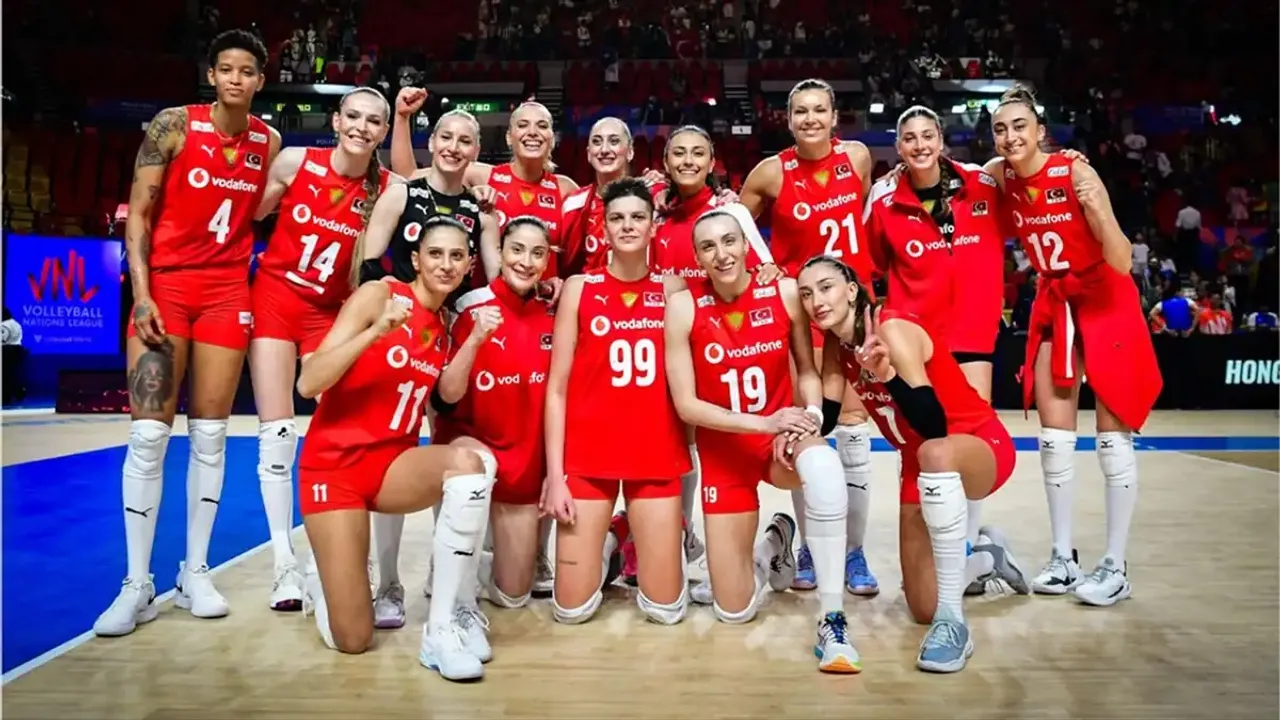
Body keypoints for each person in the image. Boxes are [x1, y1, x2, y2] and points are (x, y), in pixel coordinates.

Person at [94, 29, 280, 638]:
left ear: (260, 80)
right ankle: (136, 584)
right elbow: (139, 214)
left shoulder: (268, 141)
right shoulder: (173, 125)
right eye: (225, 68)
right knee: (149, 435)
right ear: (211, 75)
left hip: (227, 295)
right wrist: (142, 293)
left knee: (211, 436)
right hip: (166, 291)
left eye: (246, 71)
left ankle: (194, 571)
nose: (235, 79)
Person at [797, 255, 1030, 673]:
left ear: (851, 290)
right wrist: (793, 424)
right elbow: (827, 418)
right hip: (918, 460)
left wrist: (886, 374)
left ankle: (953, 624)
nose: (817, 300)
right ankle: (988, 559)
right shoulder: (838, 345)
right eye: (806, 293)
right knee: (922, 606)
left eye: (826, 287)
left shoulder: (891, 329)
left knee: (933, 453)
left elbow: (934, 425)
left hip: (977, 443)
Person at [295, 216, 497, 682]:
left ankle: (442, 627)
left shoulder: (447, 325)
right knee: (354, 640)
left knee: (470, 466)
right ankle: (322, 581)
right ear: (416, 260)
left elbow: (447, 395)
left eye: (456, 256)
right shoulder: (379, 296)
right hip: (333, 469)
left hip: (391, 465)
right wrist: (375, 332)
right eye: (435, 253)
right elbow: (309, 382)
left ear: (469, 265)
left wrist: (475, 340)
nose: (445, 264)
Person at [392, 90, 574, 595]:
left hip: (535, 313)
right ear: (508, 136)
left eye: (542, 125)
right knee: (452, 426)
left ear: (553, 137)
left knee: (515, 590)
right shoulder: (484, 176)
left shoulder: (564, 188)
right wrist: (403, 119)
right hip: (468, 309)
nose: (533, 132)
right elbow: (412, 180)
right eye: (523, 125)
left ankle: (530, 551)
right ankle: (447, 557)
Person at [664, 205, 860, 673]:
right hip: (726, 451)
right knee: (733, 611)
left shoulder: (784, 291)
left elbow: (807, 371)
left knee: (824, 468)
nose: (722, 254)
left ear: (746, 244)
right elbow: (687, 406)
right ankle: (774, 542)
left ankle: (833, 620)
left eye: (730, 241)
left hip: (780, 442)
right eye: (708, 247)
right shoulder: (684, 306)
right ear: (698, 258)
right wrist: (764, 423)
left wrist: (811, 418)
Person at [988, 84, 1160, 605]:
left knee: (1112, 441)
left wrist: (1100, 213)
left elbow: (1122, 259)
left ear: (1041, 131)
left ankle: (1116, 566)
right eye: (1000, 129)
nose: (1010, 136)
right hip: (1056, 301)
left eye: (1020, 126)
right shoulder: (1000, 176)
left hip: (1106, 298)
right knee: (1054, 440)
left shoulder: (1076, 173)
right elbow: (954, 178)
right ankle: (1063, 557)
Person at [249, 87, 393, 611]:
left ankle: (331, 550)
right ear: (335, 120)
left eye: (373, 121)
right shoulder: (295, 162)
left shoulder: (386, 188)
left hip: (330, 312)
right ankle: (282, 566)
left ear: (383, 131)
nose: (361, 127)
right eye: (353, 116)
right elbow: (248, 211)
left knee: (338, 429)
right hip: (275, 298)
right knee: (277, 433)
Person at [354, 108, 500, 620]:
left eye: (465, 141)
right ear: (431, 141)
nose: (454, 147)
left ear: (475, 152)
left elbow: (496, 281)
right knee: (388, 449)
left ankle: (445, 572)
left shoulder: (481, 211)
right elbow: (368, 267)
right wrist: (378, 325)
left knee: (444, 448)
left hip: (449, 335)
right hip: (398, 331)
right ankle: (389, 583)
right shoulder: (402, 193)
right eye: (446, 137)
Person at [738, 78, 878, 596]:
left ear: (834, 116)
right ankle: (811, 549)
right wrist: (764, 267)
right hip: (804, 318)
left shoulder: (857, 157)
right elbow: (735, 224)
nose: (811, 119)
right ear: (788, 118)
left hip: (854, 317)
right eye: (801, 111)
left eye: (820, 110)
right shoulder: (770, 172)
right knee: (808, 432)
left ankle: (854, 551)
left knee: (856, 433)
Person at [542, 178, 691, 625]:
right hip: (589, 455)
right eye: (617, 218)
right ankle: (611, 541)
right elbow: (557, 388)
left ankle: (629, 530)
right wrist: (555, 476)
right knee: (571, 611)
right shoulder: (579, 288)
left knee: (665, 611)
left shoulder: (673, 289)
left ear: (653, 226)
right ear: (603, 227)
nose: (627, 226)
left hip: (655, 452)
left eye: (638, 217)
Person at [432, 217, 556, 649]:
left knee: (514, 596)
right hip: (475, 450)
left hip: (524, 467)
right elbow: (445, 397)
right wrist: (475, 340)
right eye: (517, 249)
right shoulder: (470, 308)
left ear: (547, 262)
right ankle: (456, 595)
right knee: (474, 470)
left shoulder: (553, 313)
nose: (526, 261)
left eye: (537, 253)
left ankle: (481, 559)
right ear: (500, 253)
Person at [560, 117, 636, 276]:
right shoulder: (573, 204)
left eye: (614, 141)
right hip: (588, 289)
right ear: (589, 154)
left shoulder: (651, 199)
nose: (604, 149)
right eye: (597, 142)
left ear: (630, 151)